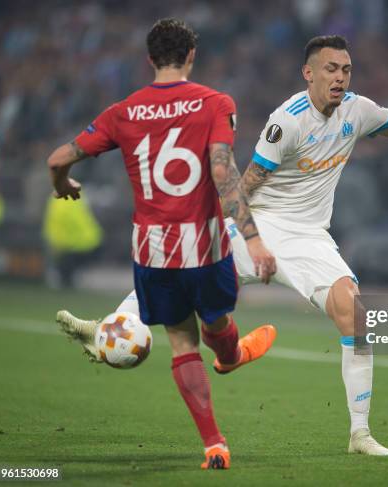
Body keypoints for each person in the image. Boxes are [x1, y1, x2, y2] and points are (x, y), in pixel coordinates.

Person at [59, 29, 388, 456]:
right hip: (256, 222)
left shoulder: (358, 111)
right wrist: (231, 234)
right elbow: (246, 184)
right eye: (331, 68)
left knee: (356, 315)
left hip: (308, 236)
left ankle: (360, 435)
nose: (340, 78)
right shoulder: (286, 121)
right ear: (307, 73)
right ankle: (109, 325)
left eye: (347, 70)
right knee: (178, 280)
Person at [48, 18, 277, 470]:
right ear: (191, 56)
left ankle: (214, 444)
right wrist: (253, 239)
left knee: (182, 344)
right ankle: (231, 356)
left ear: (150, 59)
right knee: (216, 324)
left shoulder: (123, 111)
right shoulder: (215, 102)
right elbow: (221, 173)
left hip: (152, 252)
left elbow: (57, 158)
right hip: (206, 247)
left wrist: (62, 183)